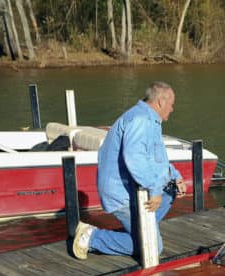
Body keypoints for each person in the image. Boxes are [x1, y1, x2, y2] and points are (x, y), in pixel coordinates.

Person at [71, 81, 186, 260]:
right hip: (122, 193)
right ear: (161, 102)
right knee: (153, 247)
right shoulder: (141, 120)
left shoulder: (149, 119)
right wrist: (154, 190)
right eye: (171, 104)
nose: (172, 109)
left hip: (132, 189)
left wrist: (175, 177)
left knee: (171, 190)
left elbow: (155, 159)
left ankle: (140, 228)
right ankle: (91, 237)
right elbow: (136, 159)